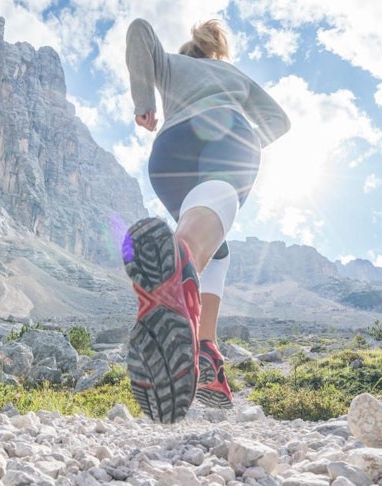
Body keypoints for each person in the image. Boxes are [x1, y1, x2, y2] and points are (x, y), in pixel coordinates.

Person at [122, 17, 290, 423]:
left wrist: (144, 103)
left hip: (168, 153)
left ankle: (203, 349)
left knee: (216, 249)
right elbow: (279, 121)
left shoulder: (174, 67)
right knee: (212, 214)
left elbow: (141, 30)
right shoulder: (231, 73)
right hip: (227, 133)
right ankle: (178, 270)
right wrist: (244, 137)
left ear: (187, 53)